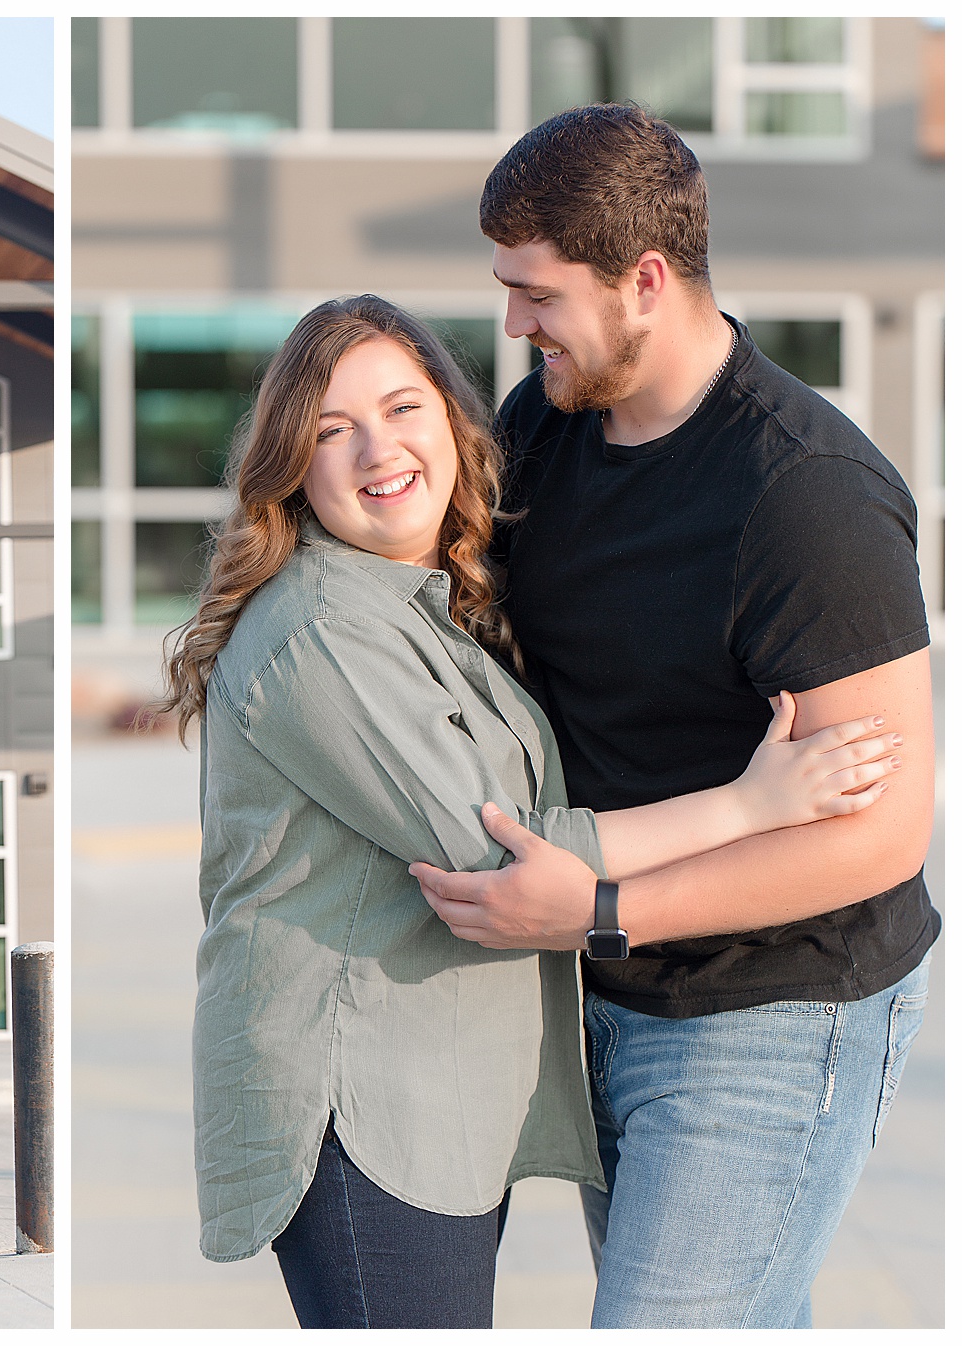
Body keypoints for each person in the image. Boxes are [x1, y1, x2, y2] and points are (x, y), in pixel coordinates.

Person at [156, 294, 900, 1329]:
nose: (379, 448)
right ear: (293, 468)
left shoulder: (428, 601)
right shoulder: (318, 627)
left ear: (454, 427)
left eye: (403, 407)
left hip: (436, 1098)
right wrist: (750, 802)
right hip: (357, 1106)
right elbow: (504, 846)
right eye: (332, 431)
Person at [410, 103, 938, 1328]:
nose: (511, 323)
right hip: (604, 994)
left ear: (644, 280)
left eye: (536, 292)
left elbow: (883, 832)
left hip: (777, 1002)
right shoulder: (550, 421)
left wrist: (601, 907)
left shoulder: (810, 499)